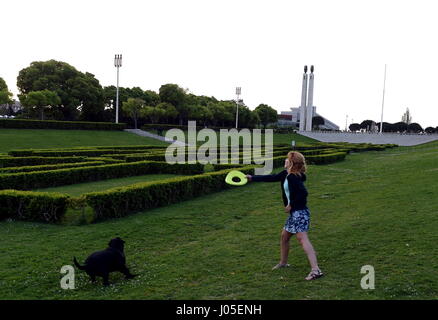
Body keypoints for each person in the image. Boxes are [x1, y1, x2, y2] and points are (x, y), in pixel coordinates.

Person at [246, 151, 324, 280]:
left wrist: (291, 205)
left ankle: (316, 270)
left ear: (291, 163)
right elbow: (271, 177)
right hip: (295, 214)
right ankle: (283, 263)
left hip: (299, 213)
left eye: (287, 160)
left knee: (302, 239)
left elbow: (303, 193)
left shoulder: (293, 177)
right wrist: (252, 178)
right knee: (284, 237)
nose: (285, 161)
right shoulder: (286, 174)